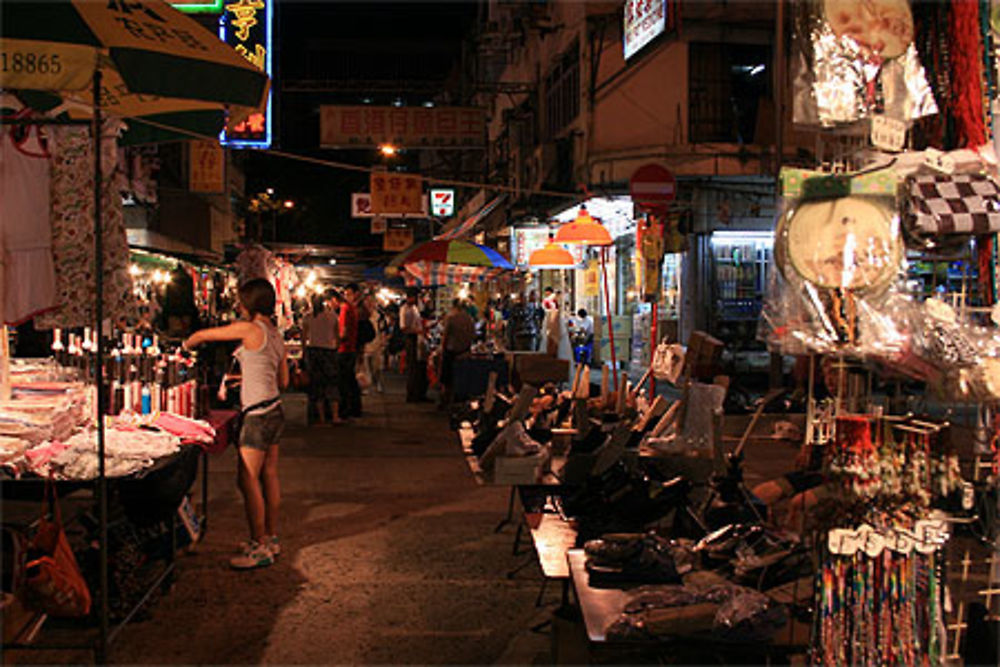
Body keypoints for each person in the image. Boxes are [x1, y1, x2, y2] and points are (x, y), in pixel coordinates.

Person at [183, 278, 288, 569]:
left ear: (249, 304)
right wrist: (245, 378)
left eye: (241, 302)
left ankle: (258, 545)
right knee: (269, 475)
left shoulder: (251, 329)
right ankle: (271, 537)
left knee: (246, 479)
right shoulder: (276, 335)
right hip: (275, 409)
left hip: (256, 416)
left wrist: (186, 342)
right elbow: (283, 381)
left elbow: (207, 335)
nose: (238, 307)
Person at [302, 293, 343, 425]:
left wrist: (305, 352)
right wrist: (336, 347)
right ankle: (335, 416)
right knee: (332, 384)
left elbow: (304, 337)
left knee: (317, 385)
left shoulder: (308, 316)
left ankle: (321, 418)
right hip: (329, 352)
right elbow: (337, 335)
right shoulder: (332, 316)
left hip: (314, 352)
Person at [439, 298, 476, 408]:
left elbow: (445, 336)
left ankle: (445, 400)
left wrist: (442, 349)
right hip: (465, 351)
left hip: (451, 351)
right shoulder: (469, 319)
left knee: (447, 379)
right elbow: (472, 335)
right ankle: (458, 399)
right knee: (461, 377)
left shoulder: (451, 318)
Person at [337, 283, 363, 418]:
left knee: (345, 382)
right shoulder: (353, 309)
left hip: (344, 349)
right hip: (351, 348)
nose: (346, 296)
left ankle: (347, 409)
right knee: (350, 380)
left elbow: (343, 332)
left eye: (349, 294)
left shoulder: (346, 308)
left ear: (356, 294)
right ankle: (355, 408)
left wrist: (336, 340)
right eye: (345, 294)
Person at [400, 290, 428, 402]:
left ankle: (419, 394)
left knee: (419, 367)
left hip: (418, 339)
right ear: (410, 297)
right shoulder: (404, 309)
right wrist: (418, 331)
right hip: (411, 340)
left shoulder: (415, 308)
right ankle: (411, 395)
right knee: (412, 367)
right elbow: (403, 328)